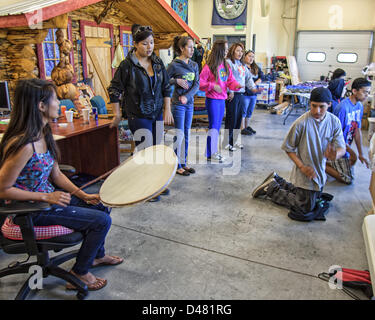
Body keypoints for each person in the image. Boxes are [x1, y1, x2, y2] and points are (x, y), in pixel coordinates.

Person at [0, 79, 123, 291]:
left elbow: (55, 174)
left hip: (48, 200)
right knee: (101, 221)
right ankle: (80, 272)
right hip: (32, 210)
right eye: (55, 99)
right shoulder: (23, 145)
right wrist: (46, 197)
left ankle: (96, 257)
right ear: (41, 106)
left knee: (101, 205)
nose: (59, 103)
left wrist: (82, 195)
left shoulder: (44, 134)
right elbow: (3, 189)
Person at [252, 87, 346, 221]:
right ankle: (271, 189)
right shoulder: (301, 123)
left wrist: (335, 155)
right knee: (304, 208)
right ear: (309, 103)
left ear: (329, 104)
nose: (317, 111)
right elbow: (288, 148)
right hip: (304, 174)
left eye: (322, 107)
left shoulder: (334, 121)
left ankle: (278, 180)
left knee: (313, 198)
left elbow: (341, 147)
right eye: (314, 106)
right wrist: (302, 167)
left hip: (319, 174)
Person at [107, 24, 173, 202]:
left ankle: (155, 185)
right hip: (138, 114)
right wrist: (117, 114)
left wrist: (167, 109)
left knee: (156, 150)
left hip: (157, 112)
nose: (149, 46)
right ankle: (146, 189)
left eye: (151, 42)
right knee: (145, 151)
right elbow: (114, 90)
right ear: (135, 44)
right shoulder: (127, 66)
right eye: (145, 43)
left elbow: (166, 87)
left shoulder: (158, 62)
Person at [199, 40, 242, 163]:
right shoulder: (209, 67)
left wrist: (236, 85)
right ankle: (211, 152)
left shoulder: (225, 66)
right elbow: (201, 83)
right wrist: (212, 86)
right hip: (212, 100)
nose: (227, 51)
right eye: (226, 49)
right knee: (213, 126)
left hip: (222, 99)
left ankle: (212, 151)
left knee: (217, 127)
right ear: (219, 50)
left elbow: (230, 81)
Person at [326, 77, 371, 184]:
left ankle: (330, 163)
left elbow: (357, 130)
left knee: (353, 160)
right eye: (365, 92)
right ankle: (320, 164)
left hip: (345, 145)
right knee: (348, 179)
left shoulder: (359, 106)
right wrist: (351, 152)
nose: (367, 95)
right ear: (354, 91)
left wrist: (360, 153)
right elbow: (336, 135)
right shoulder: (342, 108)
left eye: (368, 92)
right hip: (337, 145)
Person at [167, 35, 200, 176]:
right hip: (178, 104)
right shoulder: (174, 64)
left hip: (189, 103)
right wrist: (176, 81)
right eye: (190, 47)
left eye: (193, 47)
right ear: (182, 48)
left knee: (186, 133)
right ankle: (177, 165)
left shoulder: (194, 65)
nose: (193, 50)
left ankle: (184, 162)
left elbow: (197, 84)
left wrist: (187, 96)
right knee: (179, 134)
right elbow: (164, 81)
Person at [223, 43, 259, 151]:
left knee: (238, 119)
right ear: (232, 51)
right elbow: (226, 78)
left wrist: (253, 88)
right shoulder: (228, 63)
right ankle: (226, 143)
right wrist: (230, 90)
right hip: (232, 95)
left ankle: (234, 142)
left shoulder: (241, 64)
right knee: (231, 119)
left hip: (241, 94)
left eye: (241, 51)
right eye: (238, 50)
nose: (240, 53)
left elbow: (248, 78)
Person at [241, 50, 265, 135]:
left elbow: (262, 76)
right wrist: (251, 85)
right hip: (245, 93)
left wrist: (256, 82)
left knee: (250, 111)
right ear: (244, 56)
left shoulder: (255, 67)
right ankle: (242, 128)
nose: (251, 58)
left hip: (253, 94)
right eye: (249, 56)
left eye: (253, 57)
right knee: (243, 111)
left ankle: (247, 127)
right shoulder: (242, 67)